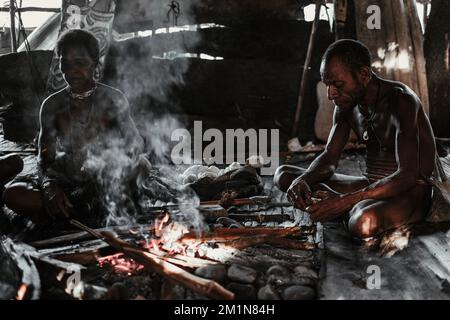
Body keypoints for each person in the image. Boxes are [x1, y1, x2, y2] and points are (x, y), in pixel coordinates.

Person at [274, 39, 436, 240]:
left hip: (408, 193)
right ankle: (340, 205)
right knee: (285, 175)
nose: (331, 93)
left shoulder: (401, 101)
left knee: (362, 223)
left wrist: (344, 201)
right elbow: (329, 157)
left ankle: (342, 207)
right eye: (328, 84)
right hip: (370, 186)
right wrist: (302, 180)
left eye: (338, 84)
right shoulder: (346, 106)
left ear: (364, 75)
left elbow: (407, 176)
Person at [2, 29, 143, 228]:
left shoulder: (113, 99)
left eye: (80, 62)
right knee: (13, 194)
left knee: (141, 166)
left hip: (107, 179)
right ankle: (83, 207)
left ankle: (73, 209)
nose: (71, 70)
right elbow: (44, 156)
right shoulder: (52, 104)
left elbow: (136, 143)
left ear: (95, 62)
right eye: (65, 63)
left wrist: (111, 161)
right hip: (69, 180)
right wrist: (49, 185)